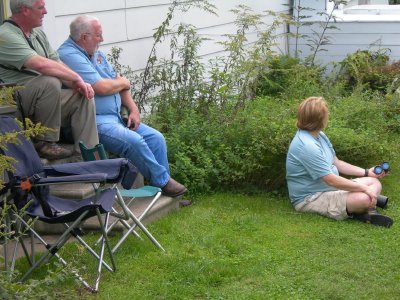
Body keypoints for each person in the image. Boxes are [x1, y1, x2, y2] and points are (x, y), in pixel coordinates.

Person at [57, 15, 187, 198]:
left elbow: (121, 84)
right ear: (84, 37)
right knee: (134, 142)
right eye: (98, 35)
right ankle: (164, 183)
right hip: (91, 123)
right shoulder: (69, 55)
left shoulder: (96, 54)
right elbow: (100, 87)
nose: (102, 40)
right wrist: (121, 82)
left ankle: (164, 193)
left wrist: (133, 109)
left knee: (156, 138)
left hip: (116, 118)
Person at [0, 0, 98, 160]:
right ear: (25, 10)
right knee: (50, 81)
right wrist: (77, 77)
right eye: (40, 8)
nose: (45, 11)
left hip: (44, 102)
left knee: (82, 97)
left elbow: (56, 62)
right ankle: (45, 143)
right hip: (16, 105)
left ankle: (89, 158)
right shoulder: (5, 35)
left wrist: (78, 83)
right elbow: (40, 65)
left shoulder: (37, 33)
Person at [286, 96, 393, 227]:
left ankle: (365, 205)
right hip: (312, 198)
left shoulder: (319, 135)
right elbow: (331, 180)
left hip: (331, 188)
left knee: (374, 181)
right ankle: (367, 207)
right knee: (364, 198)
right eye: (326, 113)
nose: (328, 115)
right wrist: (364, 189)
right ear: (320, 119)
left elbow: (337, 162)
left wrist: (367, 172)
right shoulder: (307, 146)